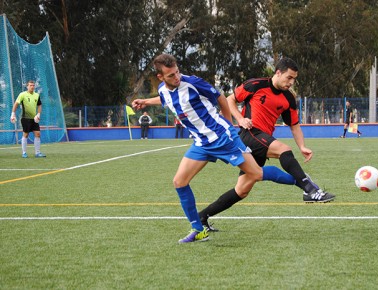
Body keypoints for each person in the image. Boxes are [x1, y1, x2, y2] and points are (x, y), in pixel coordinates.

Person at [132, 54, 298, 243]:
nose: (176, 77)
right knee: (179, 182)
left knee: (256, 174)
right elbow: (165, 98)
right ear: (160, 77)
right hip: (201, 143)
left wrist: (228, 124)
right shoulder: (163, 89)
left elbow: (221, 98)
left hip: (221, 138)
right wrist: (145, 102)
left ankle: (301, 182)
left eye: (177, 72)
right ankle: (198, 229)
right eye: (171, 76)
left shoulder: (193, 83)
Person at [199, 57, 335, 231]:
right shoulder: (255, 85)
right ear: (278, 73)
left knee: (242, 190)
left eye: (294, 79)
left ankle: (202, 216)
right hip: (249, 134)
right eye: (289, 78)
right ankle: (310, 189)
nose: (291, 82)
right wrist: (240, 119)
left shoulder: (288, 98)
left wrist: (302, 146)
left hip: (262, 140)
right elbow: (229, 100)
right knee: (284, 150)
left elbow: (294, 125)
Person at [10, 80, 46, 158]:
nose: (32, 87)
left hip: (34, 119)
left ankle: (37, 153)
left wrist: (38, 114)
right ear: (27, 86)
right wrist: (13, 114)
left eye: (33, 85)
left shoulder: (37, 95)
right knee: (25, 134)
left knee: (37, 134)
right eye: (30, 85)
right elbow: (16, 104)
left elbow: (39, 105)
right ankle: (24, 153)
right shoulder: (22, 94)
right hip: (25, 118)